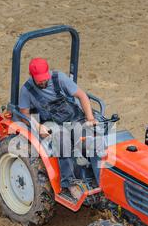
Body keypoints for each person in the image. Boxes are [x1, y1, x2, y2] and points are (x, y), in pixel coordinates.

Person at [18, 58, 97, 200]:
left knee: (90, 136)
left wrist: (90, 118)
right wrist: (37, 126)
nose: (42, 82)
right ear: (32, 76)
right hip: (50, 122)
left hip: (72, 116)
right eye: (39, 80)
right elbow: (24, 115)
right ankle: (69, 183)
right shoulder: (26, 90)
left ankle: (95, 172)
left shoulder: (59, 78)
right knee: (62, 140)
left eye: (44, 79)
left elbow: (81, 95)